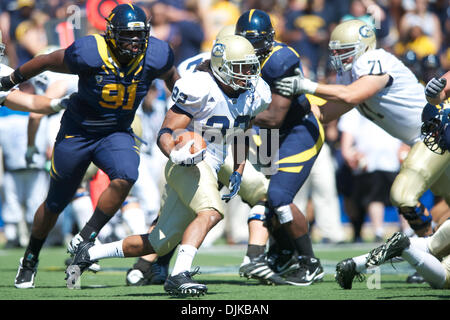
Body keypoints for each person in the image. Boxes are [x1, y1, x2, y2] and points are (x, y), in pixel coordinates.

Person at [65, 34, 272, 296]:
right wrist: (174, 153)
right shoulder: (200, 86)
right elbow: (166, 131)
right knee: (211, 211)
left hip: (213, 163)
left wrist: (239, 170)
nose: (248, 75)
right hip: (188, 162)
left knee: (157, 242)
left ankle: (89, 253)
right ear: (221, 66)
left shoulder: (256, 93)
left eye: (250, 67)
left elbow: (242, 128)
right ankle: (179, 275)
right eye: (240, 68)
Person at [0, 3, 180, 289]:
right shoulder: (91, 51)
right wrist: (12, 78)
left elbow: (172, 77)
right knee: (56, 202)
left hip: (116, 132)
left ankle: (86, 237)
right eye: (127, 36)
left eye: (138, 36)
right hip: (78, 132)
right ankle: (30, 257)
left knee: (126, 176)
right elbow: (47, 59)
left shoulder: (156, 53)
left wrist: (184, 101)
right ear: (111, 34)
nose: (134, 43)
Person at [274, 19, 449, 239]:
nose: (339, 57)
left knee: (403, 195)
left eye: (345, 51)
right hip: (423, 139)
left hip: (437, 132)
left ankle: (428, 250)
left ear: (364, 48)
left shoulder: (374, 59)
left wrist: (306, 84)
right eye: (336, 51)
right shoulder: (349, 72)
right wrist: (285, 104)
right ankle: (434, 254)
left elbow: (352, 95)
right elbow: (325, 113)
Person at [234, 9, 325, 286]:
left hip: (296, 131)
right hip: (270, 133)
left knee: (279, 196)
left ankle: (310, 263)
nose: (251, 48)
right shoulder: (237, 54)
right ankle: (284, 251)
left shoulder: (281, 60)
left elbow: (274, 117)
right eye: (246, 42)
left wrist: (235, 114)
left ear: (270, 39)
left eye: (256, 41)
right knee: (263, 194)